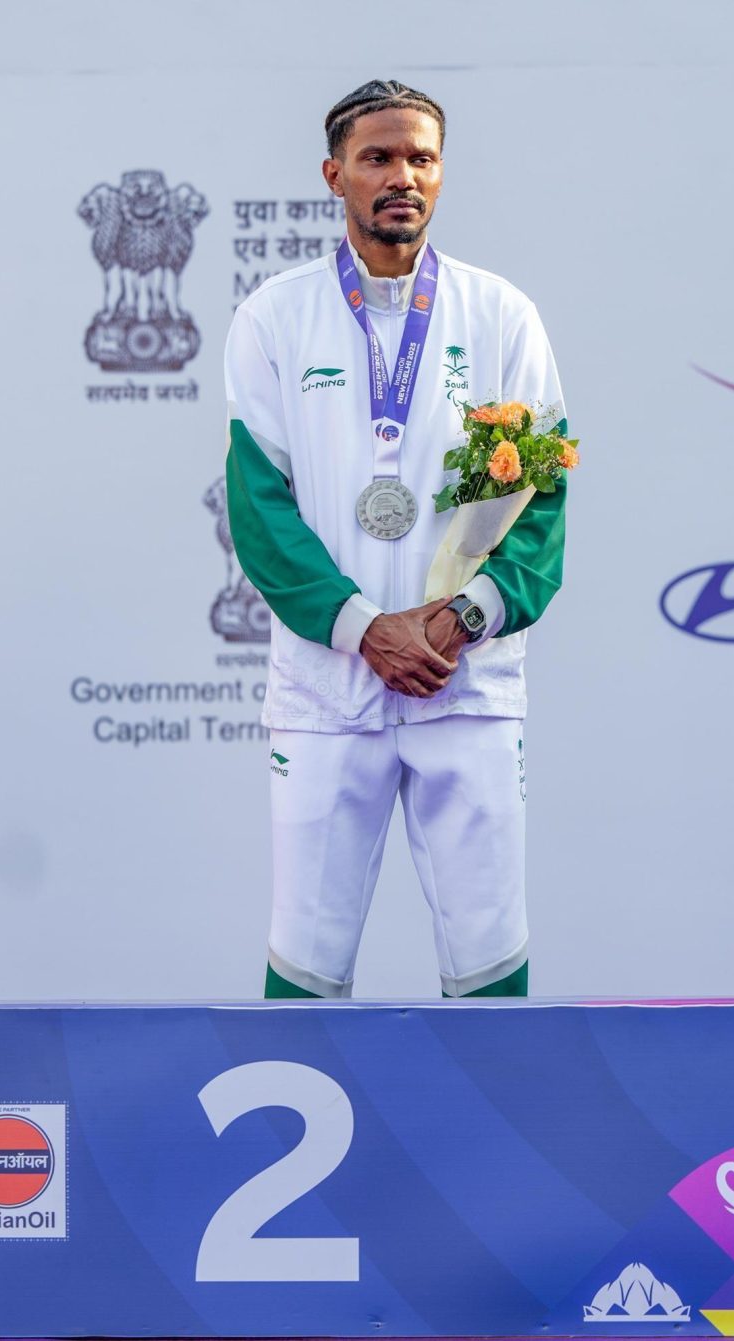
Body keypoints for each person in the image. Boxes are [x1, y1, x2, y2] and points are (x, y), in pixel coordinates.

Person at [225, 79, 568, 1000]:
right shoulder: (275, 317)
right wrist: (365, 630)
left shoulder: (501, 315)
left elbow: (542, 504)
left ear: (442, 175)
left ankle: (496, 1139)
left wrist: (459, 621)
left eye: (421, 158)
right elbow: (258, 510)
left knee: (491, 948)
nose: (401, 177)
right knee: (305, 951)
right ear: (335, 174)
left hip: (467, 681)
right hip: (329, 686)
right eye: (378, 157)